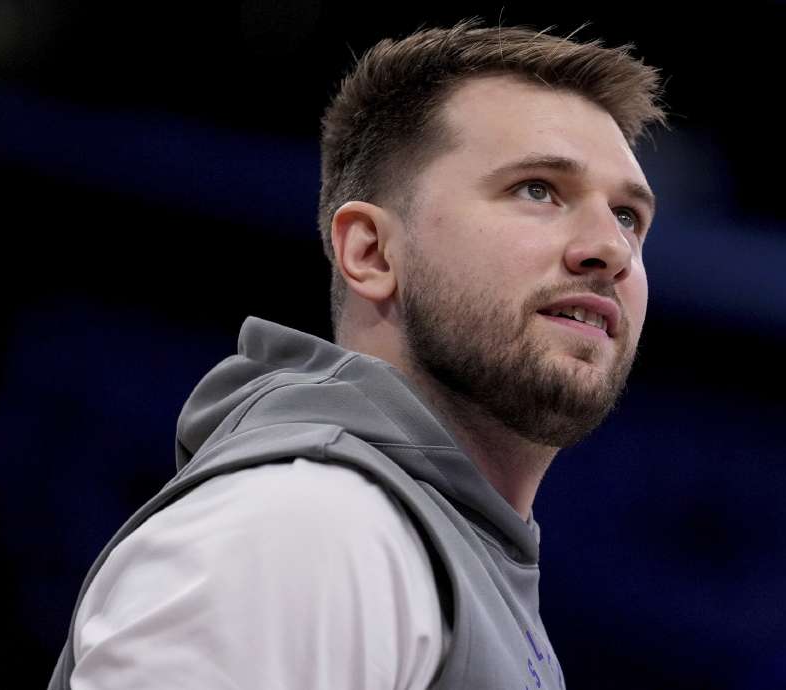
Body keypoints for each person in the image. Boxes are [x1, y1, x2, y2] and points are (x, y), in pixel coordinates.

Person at [48, 18, 667, 690]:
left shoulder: (431, 550)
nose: (610, 248)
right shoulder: (307, 528)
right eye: (538, 189)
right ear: (371, 252)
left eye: (629, 216)